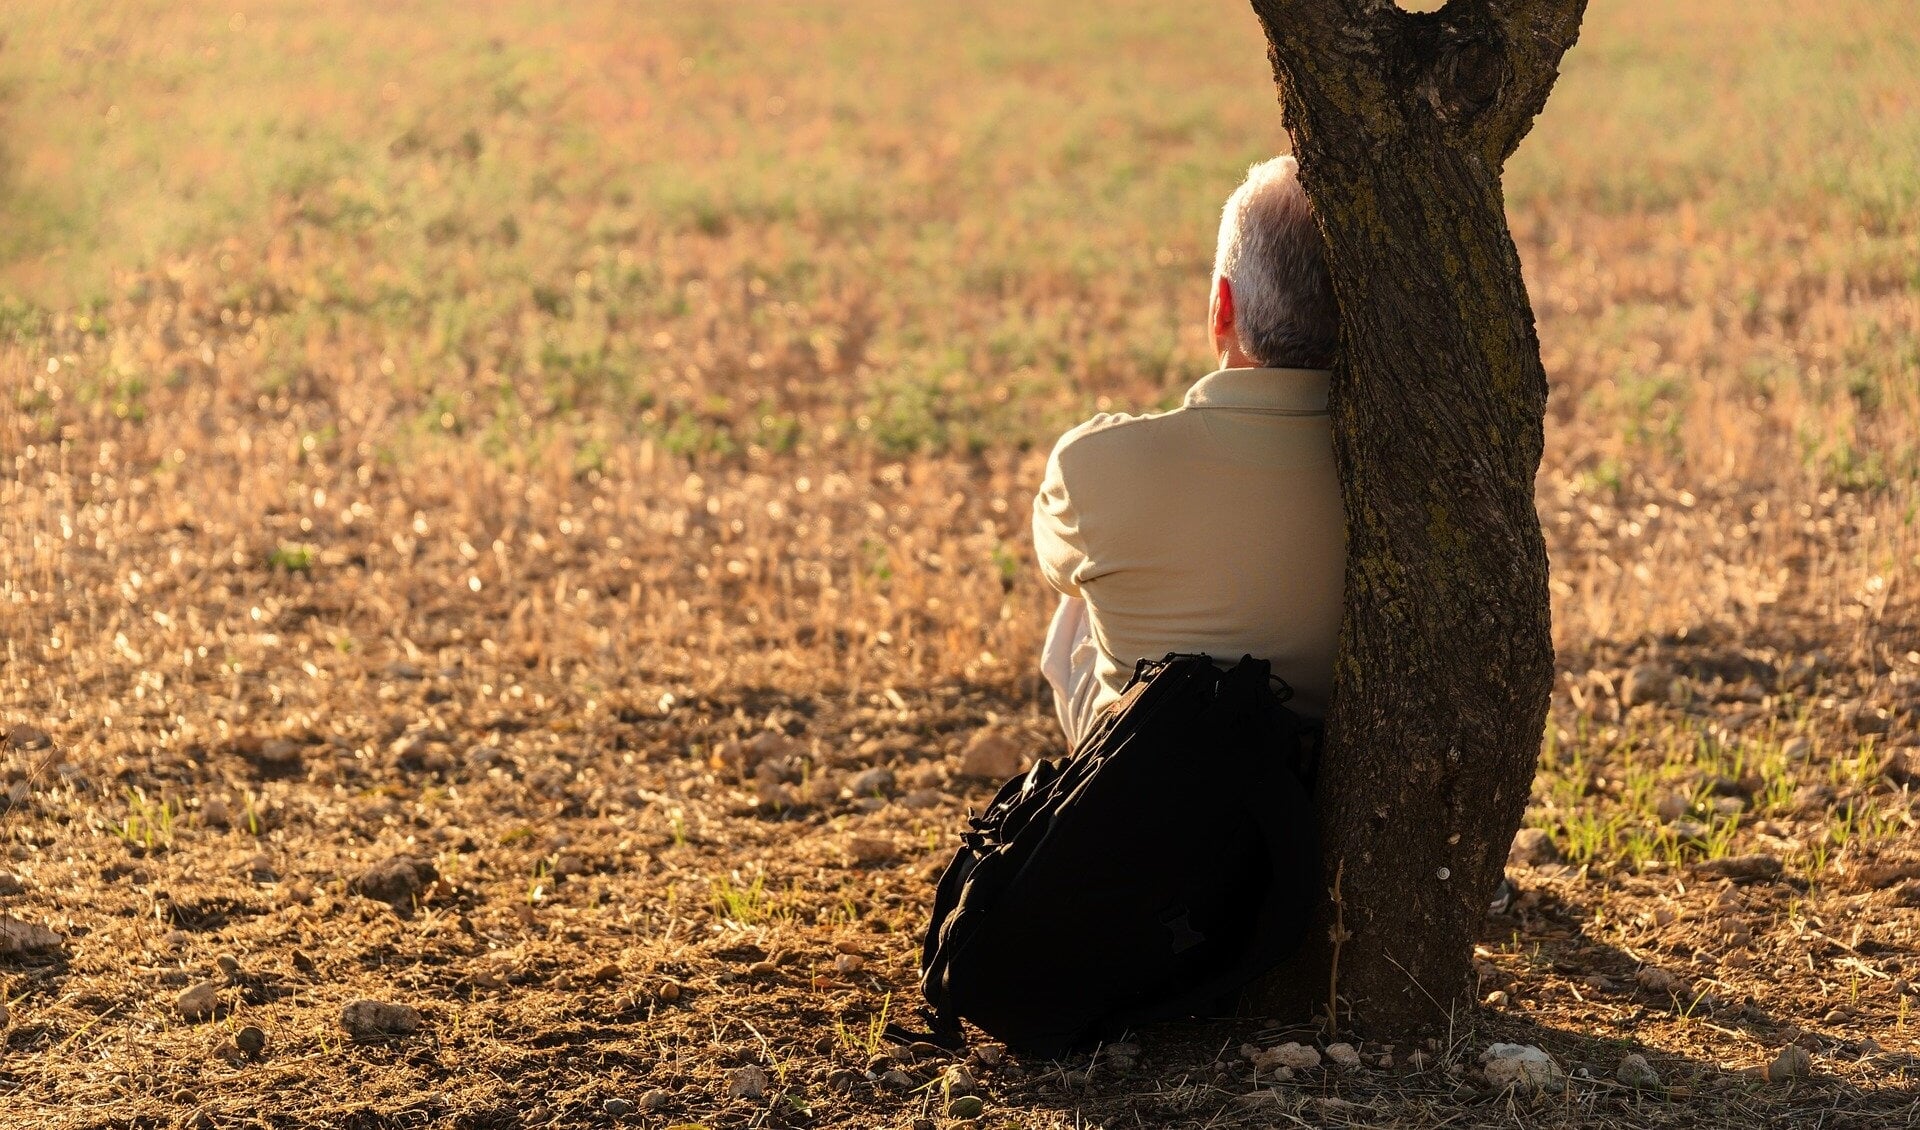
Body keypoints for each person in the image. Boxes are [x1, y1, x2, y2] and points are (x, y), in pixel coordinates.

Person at [1033, 155, 1344, 750]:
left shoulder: (1094, 465)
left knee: (1081, 594)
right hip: (1314, 794)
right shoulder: (1407, 480)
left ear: (1222, 307)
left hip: (1147, 792)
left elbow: (1053, 562)